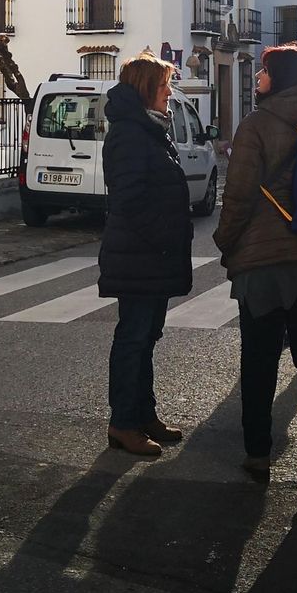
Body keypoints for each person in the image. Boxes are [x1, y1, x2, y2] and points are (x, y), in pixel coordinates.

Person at [214, 44, 297, 483]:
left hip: (265, 262)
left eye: (263, 73)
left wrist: (225, 241)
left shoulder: (256, 125)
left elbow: (238, 196)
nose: (257, 81)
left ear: (280, 77)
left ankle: (258, 454)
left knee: (259, 361)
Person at [99, 52, 195, 458]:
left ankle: (143, 414)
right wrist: (164, 238)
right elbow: (130, 199)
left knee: (146, 338)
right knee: (134, 339)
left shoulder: (150, 129)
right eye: (164, 85)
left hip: (150, 255)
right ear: (146, 90)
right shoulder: (130, 134)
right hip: (139, 254)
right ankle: (123, 423)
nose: (169, 93)